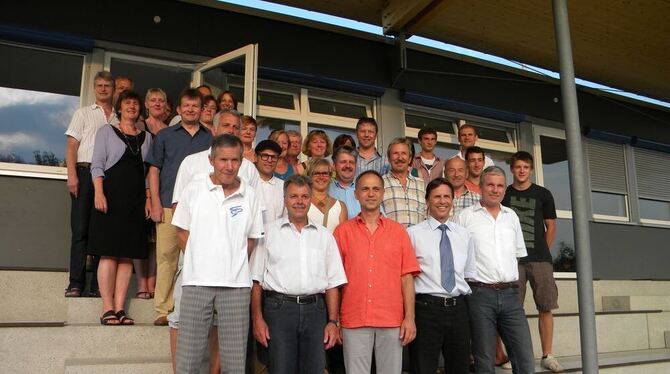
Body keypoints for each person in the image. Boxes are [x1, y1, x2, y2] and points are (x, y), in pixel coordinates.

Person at [172, 134, 264, 373]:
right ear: (211, 160)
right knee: (189, 358)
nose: (229, 166)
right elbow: (181, 232)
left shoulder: (251, 195)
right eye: (223, 159)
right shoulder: (194, 188)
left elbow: (251, 239)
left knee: (234, 361)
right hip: (196, 283)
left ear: (242, 162)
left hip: (236, 287)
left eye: (235, 160)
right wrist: (200, 259)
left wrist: (232, 262)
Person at [250, 175, 347, 374]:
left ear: (310, 199)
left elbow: (333, 283)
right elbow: (256, 281)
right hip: (279, 311)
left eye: (304, 196)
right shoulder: (268, 233)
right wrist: (257, 319)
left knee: (315, 369)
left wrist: (332, 321)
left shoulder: (324, 236)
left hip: (315, 311)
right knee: (281, 368)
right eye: (293, 196)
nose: (299, 201)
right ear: (284, 200)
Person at [333, 170, 421, 374]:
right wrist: (335, 319)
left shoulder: (399, 232)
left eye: (375, 189)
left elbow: (407, 278)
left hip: (391, 318)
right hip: (353, 318)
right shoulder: (342, 232)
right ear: (356, 194)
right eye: (365, 189)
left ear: (383, 193)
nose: (370, 194)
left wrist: (410, 318)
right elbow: (335, 281)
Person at [455, 166, 534, 374]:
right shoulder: (465, 217)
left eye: (500, 186)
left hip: (510, 295)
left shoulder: (512, 217)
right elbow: (457, 257)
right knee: (484, 358)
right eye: (490, 184)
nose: (495, 190)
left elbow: (517, 255)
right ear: (480, 187)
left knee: (525, 357)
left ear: (505, 190)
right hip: (480, 294)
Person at [146, 88, 213, 326]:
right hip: (167, 205)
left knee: (196, 260)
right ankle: (162, 309)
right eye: (186, 106)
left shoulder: (210, 139)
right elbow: (154, 170)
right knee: (167, 258)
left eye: (195, 106)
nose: (191, 109)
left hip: (200, 210)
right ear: (177, 109)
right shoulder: (164, 136)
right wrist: (154, 202)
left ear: (201, 109)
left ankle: (190, 309)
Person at [88, 90, 153, 325]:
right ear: (120, 107)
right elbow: (97, 164)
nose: (132, 107)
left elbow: (148, 174)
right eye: (127, 103)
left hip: (135, 202)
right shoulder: (106, 131)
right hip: (110, 198)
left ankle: (120, 308)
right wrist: (98, 192)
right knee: (108, 253)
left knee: (127, 256)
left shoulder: (147, 138)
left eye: (135, 104)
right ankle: (107, 308)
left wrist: (148, 199)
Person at [502, 151, 562, 373]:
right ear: (512, 169)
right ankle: (513, 354)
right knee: (511, 309)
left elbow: (551, 225)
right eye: (517, 167)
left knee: (545, 306)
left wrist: (541, 249)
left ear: (531, 169)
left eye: (525, 167)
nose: (521, 170)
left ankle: (547, 354)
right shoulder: (505, 194)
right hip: (512, 260)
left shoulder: (543, 194)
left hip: (539, 260)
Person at [408, 178, 475, 374]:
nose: (442, 201)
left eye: (447, 196)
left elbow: (468, 275)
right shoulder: (412, 234)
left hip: (459, 310)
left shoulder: (464, 235)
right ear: (427, 201)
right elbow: (406, 279)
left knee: (460, 367)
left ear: (453, 200)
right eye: (437, 197)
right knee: (423, 367)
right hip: (426, 310)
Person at [64, 70, 118, 298]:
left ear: (113, 89)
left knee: (101, 233)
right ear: (94, 88)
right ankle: (76, 283)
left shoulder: (118, 118)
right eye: (99, 85)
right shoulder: (83, 113)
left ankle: (98, 286)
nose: (103, 89)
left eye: (107, 85)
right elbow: (71, 146)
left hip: (110, 179)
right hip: (85, 175)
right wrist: (72, 175)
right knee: (80, 230)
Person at [381, 137, 426, 227]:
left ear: (409, 159)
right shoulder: (380, 184)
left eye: (404, 153)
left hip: (417, 239)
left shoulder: (421, 184)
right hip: (392, 238)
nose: (400, 158)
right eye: (395, 153)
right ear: (389, 158)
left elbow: (427, 214)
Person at [307, 159, 347, 232]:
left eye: (325, 173)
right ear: (310, 176)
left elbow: (343, 237)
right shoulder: (303, 203)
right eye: (316, 173)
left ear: (330, 176)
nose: (321, 177)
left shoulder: (341, 206)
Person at [255, 139, 286, 224]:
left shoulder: (284, 186)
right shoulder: (248, 184)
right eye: (265, 156)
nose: (269, 160)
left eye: (273, 157)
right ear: (256, 157)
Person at [329, 145, 361, 219]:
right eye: (343, 162)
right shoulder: (326, 190)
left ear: (356, 166)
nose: (348, 166)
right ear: (334, 166)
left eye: (351, 162)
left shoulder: (365, 190)